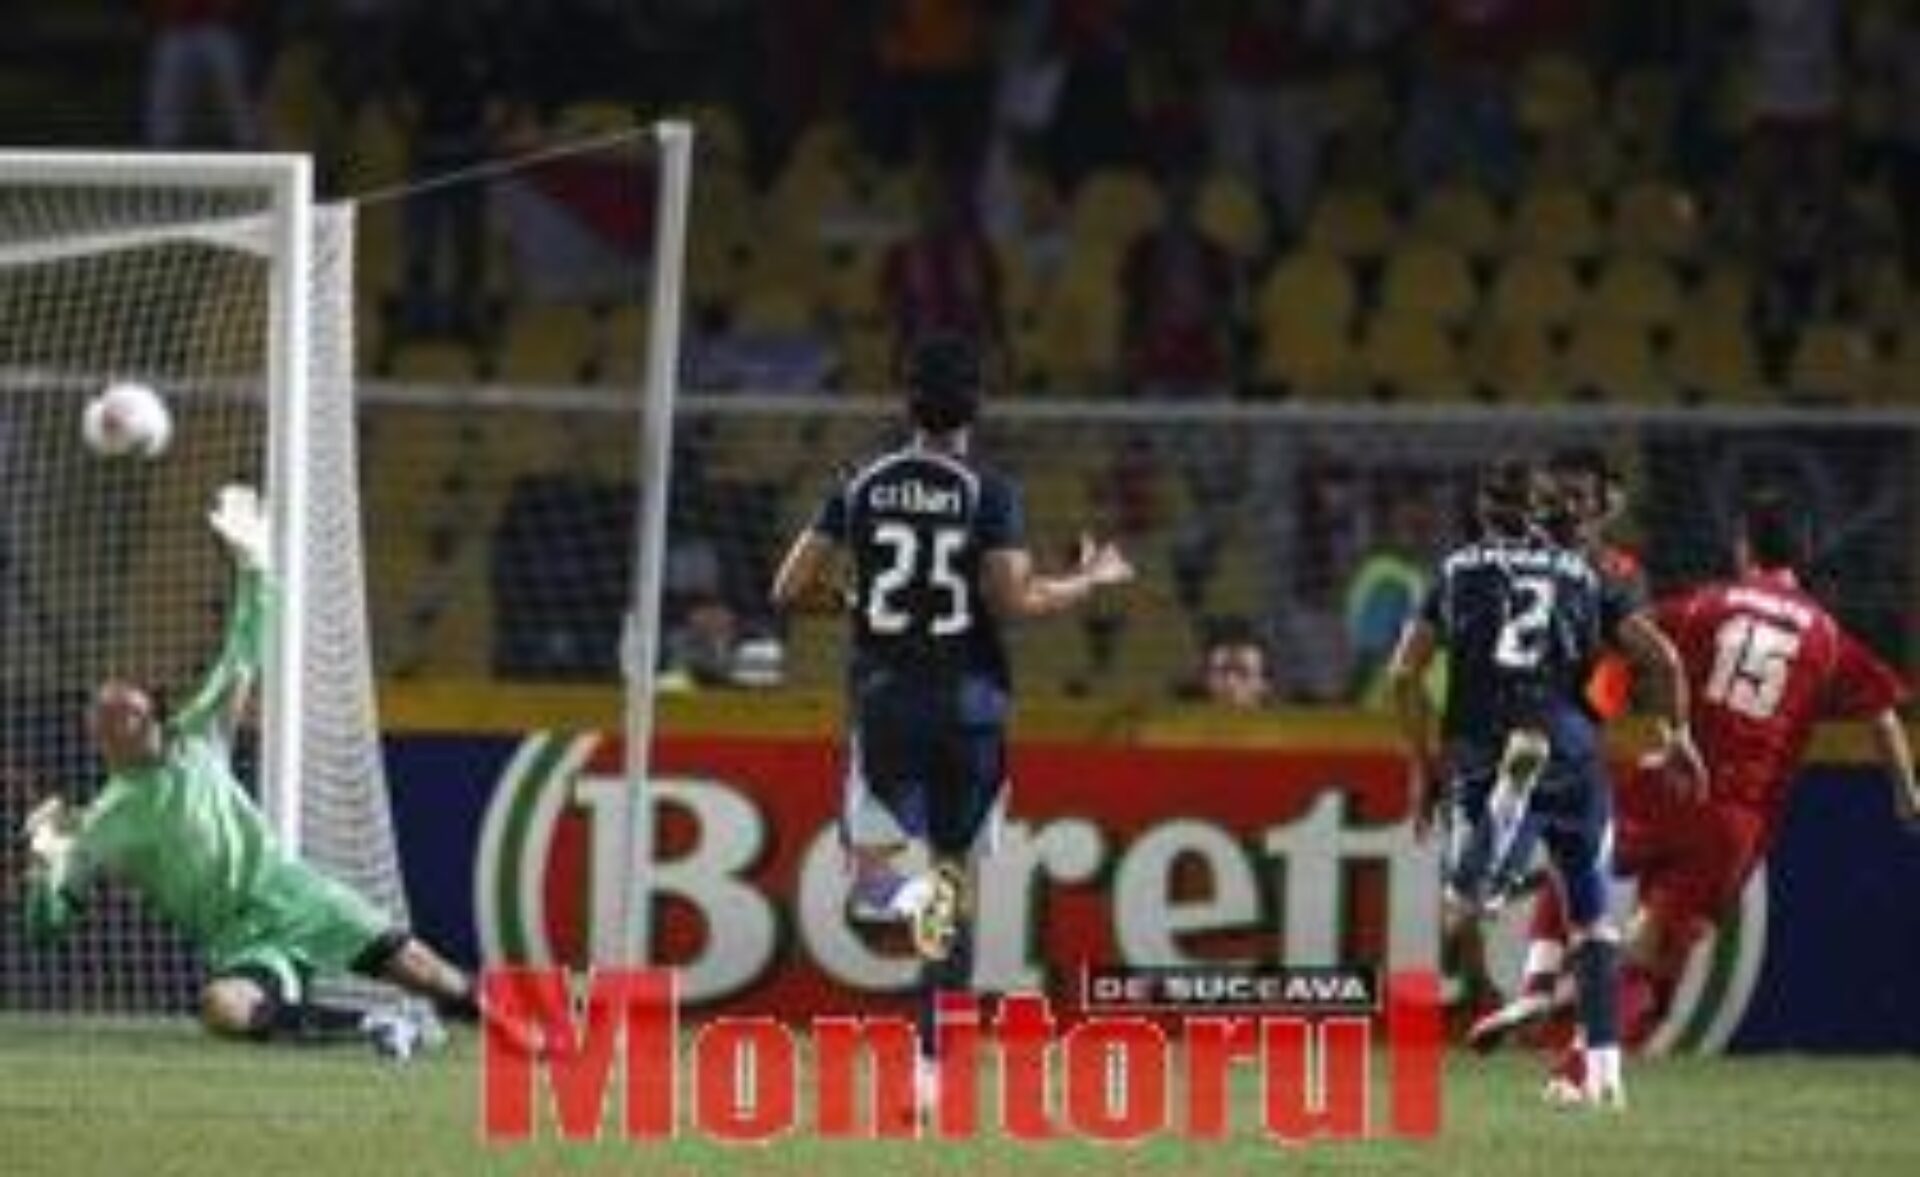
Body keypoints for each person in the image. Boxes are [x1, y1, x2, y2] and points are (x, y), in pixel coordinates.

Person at [769, 332, 1133, 1108]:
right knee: (952, 884)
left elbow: (788, 587)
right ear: (976, 407)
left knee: (873, 882)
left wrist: (858, 600)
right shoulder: (988, 493)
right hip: (970, 708)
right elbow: (1016, 600)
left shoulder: (862, 482)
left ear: (907, 403)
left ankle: (913, 914)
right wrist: (1089, 578)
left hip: (888, 700)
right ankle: (931, 1068)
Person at [1469, 491, 1918, 1077]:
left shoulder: (1709, 603)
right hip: (1739, 819)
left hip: (1674, 782)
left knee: (1574, 854)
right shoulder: (1828, 638)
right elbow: (1883, 712)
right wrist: (1906, 794)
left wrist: (1586, 711)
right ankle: (1579, 1073)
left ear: (1744, 547)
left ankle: (1540, 983)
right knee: (1653, 964)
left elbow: (1631, 645)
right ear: (1802, 556)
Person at [22, 486, 479, 1058]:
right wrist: (45, 866)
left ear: (152, 715)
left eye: (134, 708)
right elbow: (45, 929)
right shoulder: (104, 821)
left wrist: (254, 565)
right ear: (101, 738)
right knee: (223, 1008)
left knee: (433, 975)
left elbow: (241, 649)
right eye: (110, 715)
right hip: (241, 943)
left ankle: (535, 1032)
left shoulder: (196, 739)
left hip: (298, 898)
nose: (127, 717)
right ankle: (378, 1027)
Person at [1387, 456, 1705, 1110]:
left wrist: (1423, 763)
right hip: (1574, 748)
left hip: (1483, 742)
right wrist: (1678, 736)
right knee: (1592, 911)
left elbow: (1401, 674)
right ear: (1542, 511)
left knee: (1460, 899)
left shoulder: (1456, 569)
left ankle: (1495, 860)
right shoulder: (1591, 572)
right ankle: (1607, 1074)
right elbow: (1665, 660)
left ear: (1481, 509)